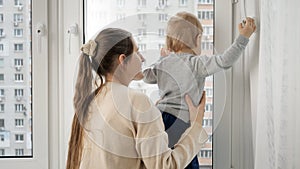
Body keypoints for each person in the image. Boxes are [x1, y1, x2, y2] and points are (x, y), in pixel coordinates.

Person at [66, 28, 208, 169]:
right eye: (137, 52)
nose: (142, 58)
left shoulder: (93, 100)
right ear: (123, 60)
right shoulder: (137, 102)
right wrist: (196, 126)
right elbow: (165, 166)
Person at [143, 12, 256, 168]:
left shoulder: (164, 63)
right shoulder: (195, 63)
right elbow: (225, 61)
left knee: (165, 162)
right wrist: (243, 38)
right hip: (181, 123)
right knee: (186, 159)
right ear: (197, 40)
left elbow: (147, 76)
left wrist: (161, 59)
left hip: (160, 118)